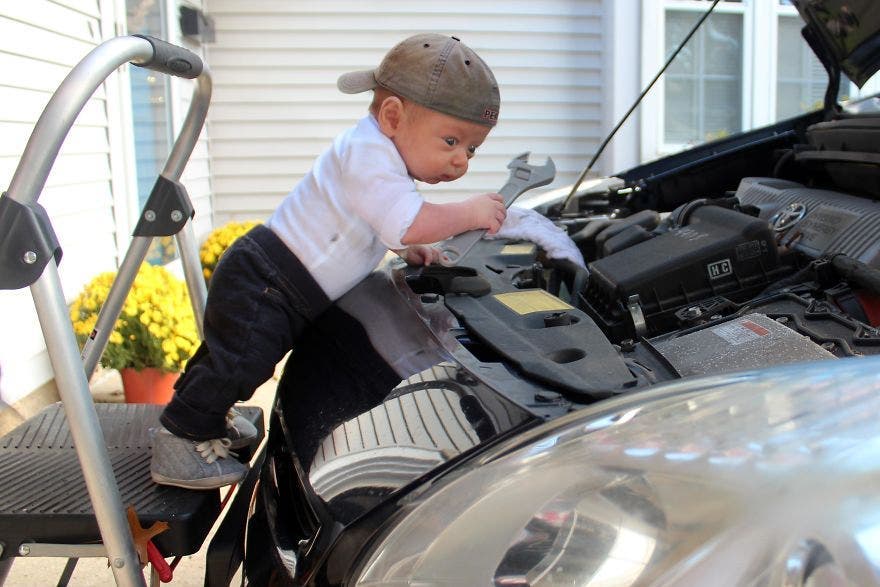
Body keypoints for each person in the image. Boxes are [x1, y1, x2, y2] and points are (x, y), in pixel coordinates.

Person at [150, 33, 505, 489]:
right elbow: (407, 220)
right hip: (269, 280)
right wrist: (468, 213)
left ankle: (207, 413)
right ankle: (181, 437)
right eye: (452, 141)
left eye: (471, 150)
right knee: (239, 362)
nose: (461, 162)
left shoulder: (380, 157)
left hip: (278, 281)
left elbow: (378, 222)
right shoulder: (369, 155)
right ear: (393, 116)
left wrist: (406, 248)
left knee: (235, 357)